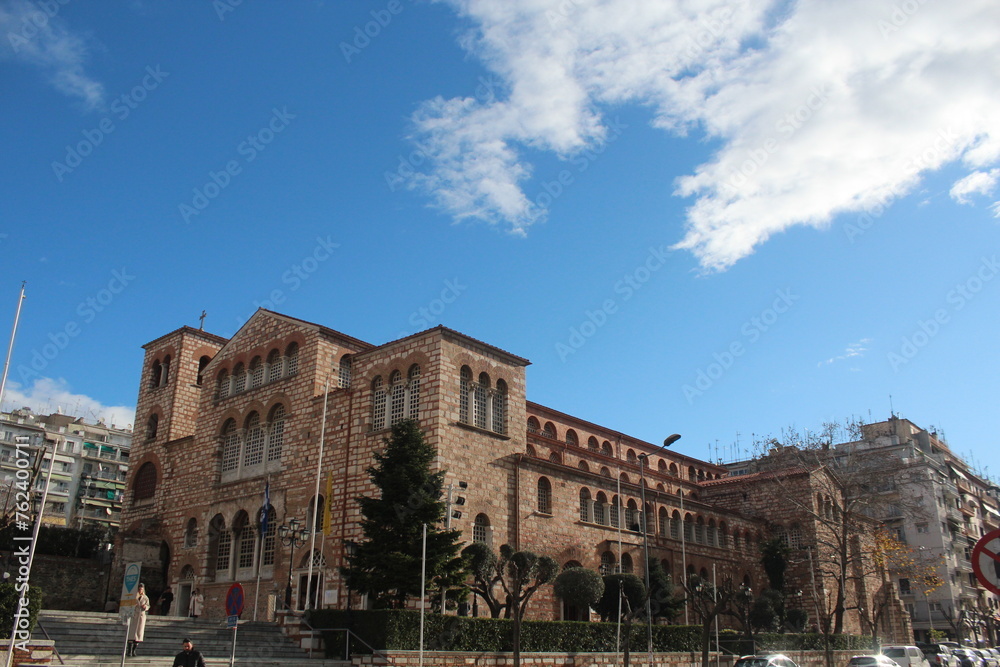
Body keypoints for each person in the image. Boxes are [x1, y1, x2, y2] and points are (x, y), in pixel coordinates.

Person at [128, 583, 150, 657]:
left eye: (142, 589)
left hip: (141, 616)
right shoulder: (134, 596)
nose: (140, 590)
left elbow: (148, 605)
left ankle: (134, 650)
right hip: (134, 616)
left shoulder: (145, 597)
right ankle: (129, 651)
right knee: (131, 633)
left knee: (139, 634)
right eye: (139, 589)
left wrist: (145, 607)